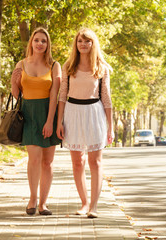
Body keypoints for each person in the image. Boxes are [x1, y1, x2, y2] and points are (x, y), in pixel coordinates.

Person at [56, 28, 113, 218]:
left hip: (94, 113)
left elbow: (106, 98)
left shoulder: (101, 68)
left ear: (93, 44)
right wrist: (59, 122)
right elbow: (62, 95)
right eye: (80, 41)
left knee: (95, 162)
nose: (83, 44)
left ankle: (94, 207)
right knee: (77, 162)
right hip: (72, 113)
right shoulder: (68, 66)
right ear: (76, 43)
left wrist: (110, 127)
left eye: (87, 41)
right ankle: (84, 203)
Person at [10, 28, 61, 216]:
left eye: (44, 41)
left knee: (47, 162)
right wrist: (14, 83)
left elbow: (55, 95)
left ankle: (43, 204)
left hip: (48, 113)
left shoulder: (55, 65)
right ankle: (33, 198)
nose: (40, 44)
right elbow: (17, 95)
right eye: (37, 40)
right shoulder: (21, 64)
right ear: (31, 42)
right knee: (34, 159)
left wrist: (50, 122)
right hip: (29, 114)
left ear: (48, 45)